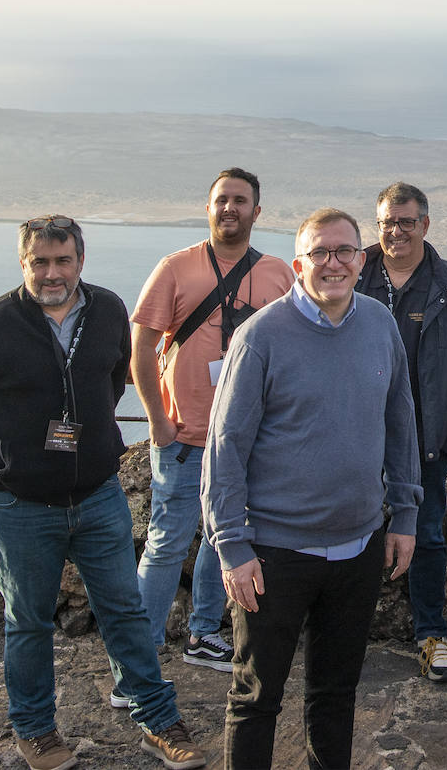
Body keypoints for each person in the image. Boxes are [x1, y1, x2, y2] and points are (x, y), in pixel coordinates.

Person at [0, 215, 205, 770]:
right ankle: (35, 729)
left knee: (124, 611)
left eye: (63, 260)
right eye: (40, 261)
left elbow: (109, 382)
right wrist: (3, 459)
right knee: (28, 620)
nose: (52, 272)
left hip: (97, 493)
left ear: (81, 260)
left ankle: (158, 721)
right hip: (20, 504)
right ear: (23, 263)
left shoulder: (107, 311)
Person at [201, 207, 422, 769]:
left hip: (359, 546)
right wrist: (232, 546)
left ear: (361, 258)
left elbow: (400, 420)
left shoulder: (378, 323)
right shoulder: (261, 337)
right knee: (256, 697)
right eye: (320, 253)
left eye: (344, 251)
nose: (333, 263)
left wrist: (404, 515)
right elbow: (225, 447)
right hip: (275, 553)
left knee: (336, 694)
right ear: (299, 263)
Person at [130, 167, 294, 677]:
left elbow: (295, 349)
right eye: (222, 199)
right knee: (166, 542)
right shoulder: (176, 268)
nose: (230, 208)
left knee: (221, 538)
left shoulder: (276, 274)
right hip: (183, 436)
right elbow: (140, 349)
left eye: (240, 201)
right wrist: (157, 420)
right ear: (208, 208)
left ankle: (203, 633)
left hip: (246, 441)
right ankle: (140, 645)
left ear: (257, 212)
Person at [355, 182, 447, 683]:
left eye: (406, 222)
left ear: (425, 225)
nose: (396, 231)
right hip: (356, 439)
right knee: (352, 533)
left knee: (428, 537)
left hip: (426, 442)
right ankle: (342, 634)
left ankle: (431, 637)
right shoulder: (352, 274)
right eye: (388, 222)